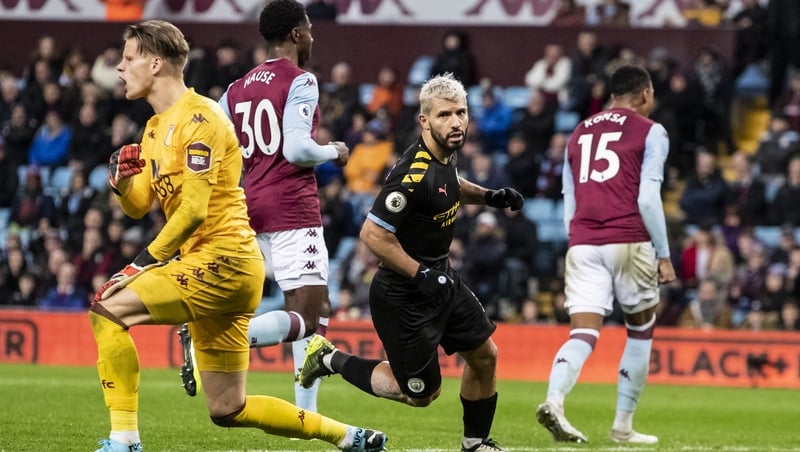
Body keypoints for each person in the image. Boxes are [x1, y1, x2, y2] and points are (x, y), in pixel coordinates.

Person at [88, 19, 386, 452]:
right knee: (228, 408)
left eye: (127, 57)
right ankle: (347, 436)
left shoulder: (202, 117)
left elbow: (191, 211)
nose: (118, 67)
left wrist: (141, 263)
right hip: (216, 267)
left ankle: (124, 441)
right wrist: (121, 183)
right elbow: (139, 206)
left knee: (107, 311)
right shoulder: (153, 130)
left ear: (155, 64)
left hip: (222, 259)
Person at [298, 73, 524, 452]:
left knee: (485, 355)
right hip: (403, 294)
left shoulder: (445, 156)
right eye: (444, 115)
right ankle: (329, 358)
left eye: (461, 113)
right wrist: (420, 274)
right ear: (424, 121)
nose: (456, 122)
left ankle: (475, 443)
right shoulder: (411, 173)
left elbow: (449, 186)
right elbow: (372, 235)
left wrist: (490, 197)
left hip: (441, 280)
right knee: (420, 394)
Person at [178, 0, 349, 413]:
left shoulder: (235, 89)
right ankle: (212, 340)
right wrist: (334, 151)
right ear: (295, 34)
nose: (312, 37)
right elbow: (297, 148)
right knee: (307, 317)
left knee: (317, 308)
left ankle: (307, 413)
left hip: (250, 206)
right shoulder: (301, 80)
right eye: (308, 29)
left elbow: (210, 140)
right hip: (292, 208)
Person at [535, 65, 676, 444]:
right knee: (640, 330)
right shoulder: (651, 131)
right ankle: (622, 426)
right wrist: (662, 254)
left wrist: (577, 240)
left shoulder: (578, 132)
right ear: (645, 94)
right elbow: (647, 198)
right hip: (629, 239)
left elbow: (570, 198)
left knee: (582, 332)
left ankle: (554, 400)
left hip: (582, 241)